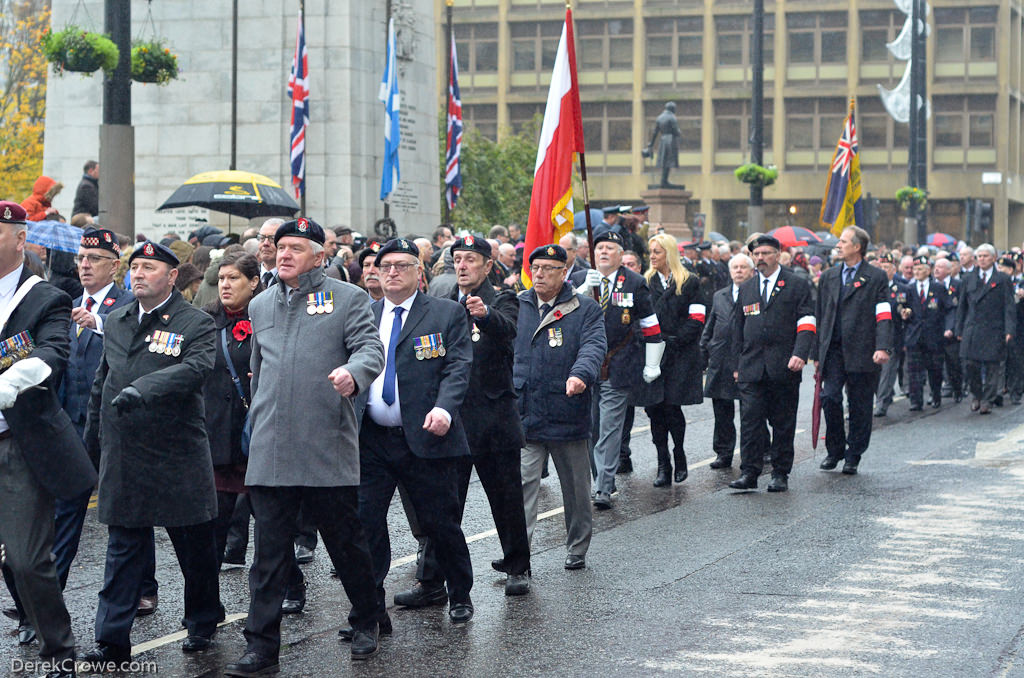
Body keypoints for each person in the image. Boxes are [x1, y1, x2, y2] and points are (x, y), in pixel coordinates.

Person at [225, 219, 384, 676]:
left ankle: (367, 616)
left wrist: (354, 374)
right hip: (271, 448)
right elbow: (257, 371)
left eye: (296, 247)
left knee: (345, 544)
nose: (284, 254)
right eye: (279, 246)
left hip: (324, 445)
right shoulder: (259, 305)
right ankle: (261, 647)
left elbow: (371, 350)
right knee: (269, 556)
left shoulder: (348, 298)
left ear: (319, 256)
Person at [83, 240, 223, 669]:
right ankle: (111, 641)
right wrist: (91, 443)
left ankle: (202, 618)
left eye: (148, 268)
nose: (138, 275)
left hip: (176, 452)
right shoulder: (118, 319)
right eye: (134, 268)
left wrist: (143, 389)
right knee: (123, 548)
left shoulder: (195, 322)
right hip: (126, 454)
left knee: (194, 546)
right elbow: (102, 382)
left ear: (172, 276)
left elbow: (196, 369)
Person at [356, 238, 476, 626]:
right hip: (372, 438)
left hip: (426, 436)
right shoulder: (363, 313)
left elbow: (458, 366)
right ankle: (369, 608)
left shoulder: (445, 314)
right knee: (366, 521)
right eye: (385, 265)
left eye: (402, 265)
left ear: (419, 273)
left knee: (439, 522)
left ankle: (458, 591)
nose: (391, 272)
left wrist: (444, 409)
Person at [0, 201, 95, 678]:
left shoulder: (45, 297)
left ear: (20, 239)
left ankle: (59, 651)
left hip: (17, 440)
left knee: (26, 558)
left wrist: (8, 384)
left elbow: (52, 353)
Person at [443, 236, 531, 596]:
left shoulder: (504, 299)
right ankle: (435, 574)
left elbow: (509, 330)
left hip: (494, 417)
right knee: (445, 503)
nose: (462, 266)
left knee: (506, 498)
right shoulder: (444, 303)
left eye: (470, 260)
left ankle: (518, 566)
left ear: (488, 266)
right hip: (454, 418)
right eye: (457, 259)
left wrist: (486, 314)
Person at [516, 244, 606, 569]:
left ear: (564, 272)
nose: (539, 274)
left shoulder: (584, 309)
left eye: (548, 269)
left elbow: (594, 346)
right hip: (526, 414)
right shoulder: (519, 305)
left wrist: (581, 374)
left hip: (567, 412)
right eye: (535, 268)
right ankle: (518, 556)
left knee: (576, 491)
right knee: (523, 486)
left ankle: (577, 547)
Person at [572, 231, 663, 509]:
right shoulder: (578, 279)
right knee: (589, 427)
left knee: (610, 427)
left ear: (620, 254)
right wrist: (580, 292)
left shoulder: (634, 282)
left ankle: (603, 486)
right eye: (599, 247)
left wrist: (652, 362)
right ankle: (597, 476)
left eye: (609, 248)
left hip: (619, 363)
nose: (603, 253)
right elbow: (561, 317)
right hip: (584, 365)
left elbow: (650, 324)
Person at [728, 235, 816, 492]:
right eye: (757, 254)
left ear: (778, 255)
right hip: (752, 367)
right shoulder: (747, 288)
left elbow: (807, 322)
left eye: (766, 253)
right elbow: (738, 329)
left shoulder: (797, 285)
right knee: (750, 422)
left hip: (784, 366)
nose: (761, 258)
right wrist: (736, 364)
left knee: (783, 422)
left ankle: (780, 472)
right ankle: (750, 472)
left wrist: (801, 353)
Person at [814, 226, 893, 475]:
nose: (838, 245)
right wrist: (817, 353)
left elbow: (883, 314)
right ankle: (835, 449)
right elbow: (820, 315)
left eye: (843, 241)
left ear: (857, 247)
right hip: (834, 350)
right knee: (830, 397)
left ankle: (854, 453)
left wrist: (882, 347)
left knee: (859, 405)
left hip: (863, 350)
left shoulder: (876, 277)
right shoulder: (828, 277)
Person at [200, 251, 261, 565]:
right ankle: (206, 603)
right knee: (213, 524)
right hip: (219, 434)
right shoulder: (206, 321)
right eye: (222, 278)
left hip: (257, 434)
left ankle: (289, 587)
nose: (225, 284)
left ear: (253, 282)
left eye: (233, 278)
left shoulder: (267, 317)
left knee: (268, 522)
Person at [642, 233, 703, 487]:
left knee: (671, 406)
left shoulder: (690, 281)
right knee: (654, 408)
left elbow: (698, 317)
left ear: (669, 253)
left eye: (657, 251)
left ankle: (679, 452)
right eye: (651, 252)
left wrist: (677, 339)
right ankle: (662, 461)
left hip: (680, 353)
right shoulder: (644, 282)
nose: (652, 256)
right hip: (653, 353)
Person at [701, 253, 754, 470]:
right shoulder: (719, 295)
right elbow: (711, 324)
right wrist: (703, 350)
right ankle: (723, 453)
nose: (739, 271)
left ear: (751, 271)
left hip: (746, 359)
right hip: (720, 359)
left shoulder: (756, 293)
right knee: (722, 411)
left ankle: (758, 450)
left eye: (743, 267)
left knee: (751, 411)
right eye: (735, 267)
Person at [955, 243, 1015, 414]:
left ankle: (987, 399)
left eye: (985, 256)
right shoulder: (968, 278)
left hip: (994, 328)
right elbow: (962, 307)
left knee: (992, 367)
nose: (981, 259)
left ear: (994, 258)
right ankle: (977, 395)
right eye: (979, 256)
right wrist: (958, 329)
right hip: (972, 328)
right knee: (969, 364)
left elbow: (1008, 307)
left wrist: (1009, 330)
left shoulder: (1002, 279)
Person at [902, 256, 955, 411]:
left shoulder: (938, 288)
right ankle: (916, 400)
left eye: (920, 269)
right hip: (914, 336)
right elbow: (903, 307)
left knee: (934, 369)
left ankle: (936, 394)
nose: (916, 272)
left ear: (928, 270)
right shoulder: (909, 289)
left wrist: (948, 327)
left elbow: (949, 309)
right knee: (914, 371)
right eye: (915, 269)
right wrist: (904, 313)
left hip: (934, 336)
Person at [872, 253, 911, 417]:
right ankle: (882, 397)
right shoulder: (871, 287)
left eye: (886, 267)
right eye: (881, 267)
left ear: (894, 269)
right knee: (874, 372)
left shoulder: (902, 289)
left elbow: (907, 309)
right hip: (872, 335)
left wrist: (906, 312)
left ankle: (881, 402)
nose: (883, 270)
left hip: (892, 335)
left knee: (888, 371)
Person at [933, 257, 964, 402]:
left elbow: (957, 309)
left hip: (952, 330)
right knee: (936, 364)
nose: (936, 269)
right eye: (935, 266)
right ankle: (936, 393)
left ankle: (957, 389)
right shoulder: (932, 286)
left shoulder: (957, 285)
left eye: (940, 267)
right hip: (936, 330)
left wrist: (953, 328)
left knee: (953, 363)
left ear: (948, 270)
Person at [643, 101, 682, 188]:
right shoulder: (672, 117)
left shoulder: (659, 118)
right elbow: (676, 131)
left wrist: (651, 143)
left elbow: (655, 132)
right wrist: (679, 133)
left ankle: (664, 180)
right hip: (670, 140)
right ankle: (664, 181)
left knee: (664, 161)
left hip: (663, 140)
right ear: (672, 108)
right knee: (668, 161)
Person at [256, 217, 285, 287]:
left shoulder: (291, 279)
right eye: (262, 238)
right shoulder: (249, 275)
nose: (265, 243)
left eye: (272, 238)